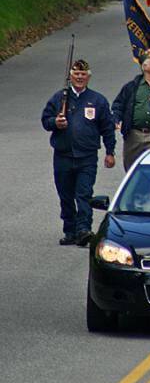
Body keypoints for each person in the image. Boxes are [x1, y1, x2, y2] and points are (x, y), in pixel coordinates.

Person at [41, 59, 116, 246]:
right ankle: (70, 230)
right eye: (76, 74)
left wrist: (110, 151)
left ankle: (84, 229)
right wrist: (55, 123)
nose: (80, 77)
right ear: (71, 77)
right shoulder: (59, 98)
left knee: (83, 194)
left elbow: (107, 127)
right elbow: (45, 120)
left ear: (88, 77)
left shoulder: (98, 100)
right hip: (63, 155)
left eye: (83, 75)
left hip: (87, 157)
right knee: (65, 194)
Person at [112, 47, 150, 171]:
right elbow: (118, 105)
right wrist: (116, 119)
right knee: (132, 171)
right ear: (145, 67)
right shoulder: (132, 87)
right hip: (135, 136)